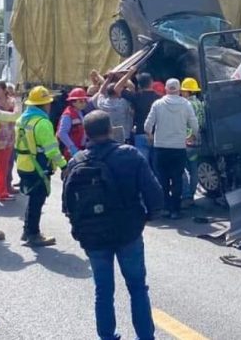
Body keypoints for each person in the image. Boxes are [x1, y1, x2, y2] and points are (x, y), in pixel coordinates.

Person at [63, 111, 163, 340]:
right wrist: (149, 215)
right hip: (127, 231)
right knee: (137, 287)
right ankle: (145, 336)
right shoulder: (129, 155)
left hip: (93, 236)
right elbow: (153, 191)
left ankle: (107, 336)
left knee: (103, 290)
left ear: (86, 134)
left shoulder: (76, 161)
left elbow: (68, 206)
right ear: (110, 129)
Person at [15, 86, 67, 247]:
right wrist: (64, 166)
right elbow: (52, 150)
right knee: (37, 200)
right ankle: (33, 234)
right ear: (44, 105)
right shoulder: (43, 123)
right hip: (38, 166)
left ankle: (27, 230)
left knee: (32, 200)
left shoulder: (22, 119)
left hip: (24, 164)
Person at [144, 78, 198, 220]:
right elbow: (195, 124)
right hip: (178, 147)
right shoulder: (186, 104)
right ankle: (176, 210)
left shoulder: (158, 104)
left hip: (160, 147)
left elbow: (147, 126)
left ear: (166, 89)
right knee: (177, 179)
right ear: (179, 89)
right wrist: (192, 135)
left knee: (162, 179)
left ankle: (166, 208)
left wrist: (150, 135)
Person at [115, 70, 160, 166]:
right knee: (157, 167)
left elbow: (117, 88)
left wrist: (129, 73)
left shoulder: (136, 96)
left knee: (143, 166)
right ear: (151, 82)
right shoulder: (159, 99)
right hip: (156, 135)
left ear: (139, 85)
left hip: (140, 133)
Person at [0, 80, 19, 199]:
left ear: (4, 90)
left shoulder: (12, 101)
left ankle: (2, 191)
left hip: (8, 138)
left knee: (4, 166)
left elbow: (17, 115)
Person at [180, 77, 205, 207]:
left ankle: (186, 196)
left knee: (182, 169)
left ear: (188, 92)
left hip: (186, 140)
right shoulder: (200, 103)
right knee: (194, 168)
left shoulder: (186, 105)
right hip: (197, 140)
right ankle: (192, 194)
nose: (182, 93)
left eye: (184, 91)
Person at [90, 74, 134, 144]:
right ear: (118, 92)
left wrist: (108, 79)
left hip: (108, 137)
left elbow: (101, 92)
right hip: (124, 137)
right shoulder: (123, 103)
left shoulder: (102, 103)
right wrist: (123, 76)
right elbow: (132, 88)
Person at [58, 88, 88, 160]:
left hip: (81, 148)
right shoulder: (67, 115)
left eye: (85, 101)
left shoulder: (80, 113)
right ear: (73, 102)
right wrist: (72, 147)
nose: (84, 103)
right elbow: (62, 133)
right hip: (72, 152)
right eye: (81, 101)